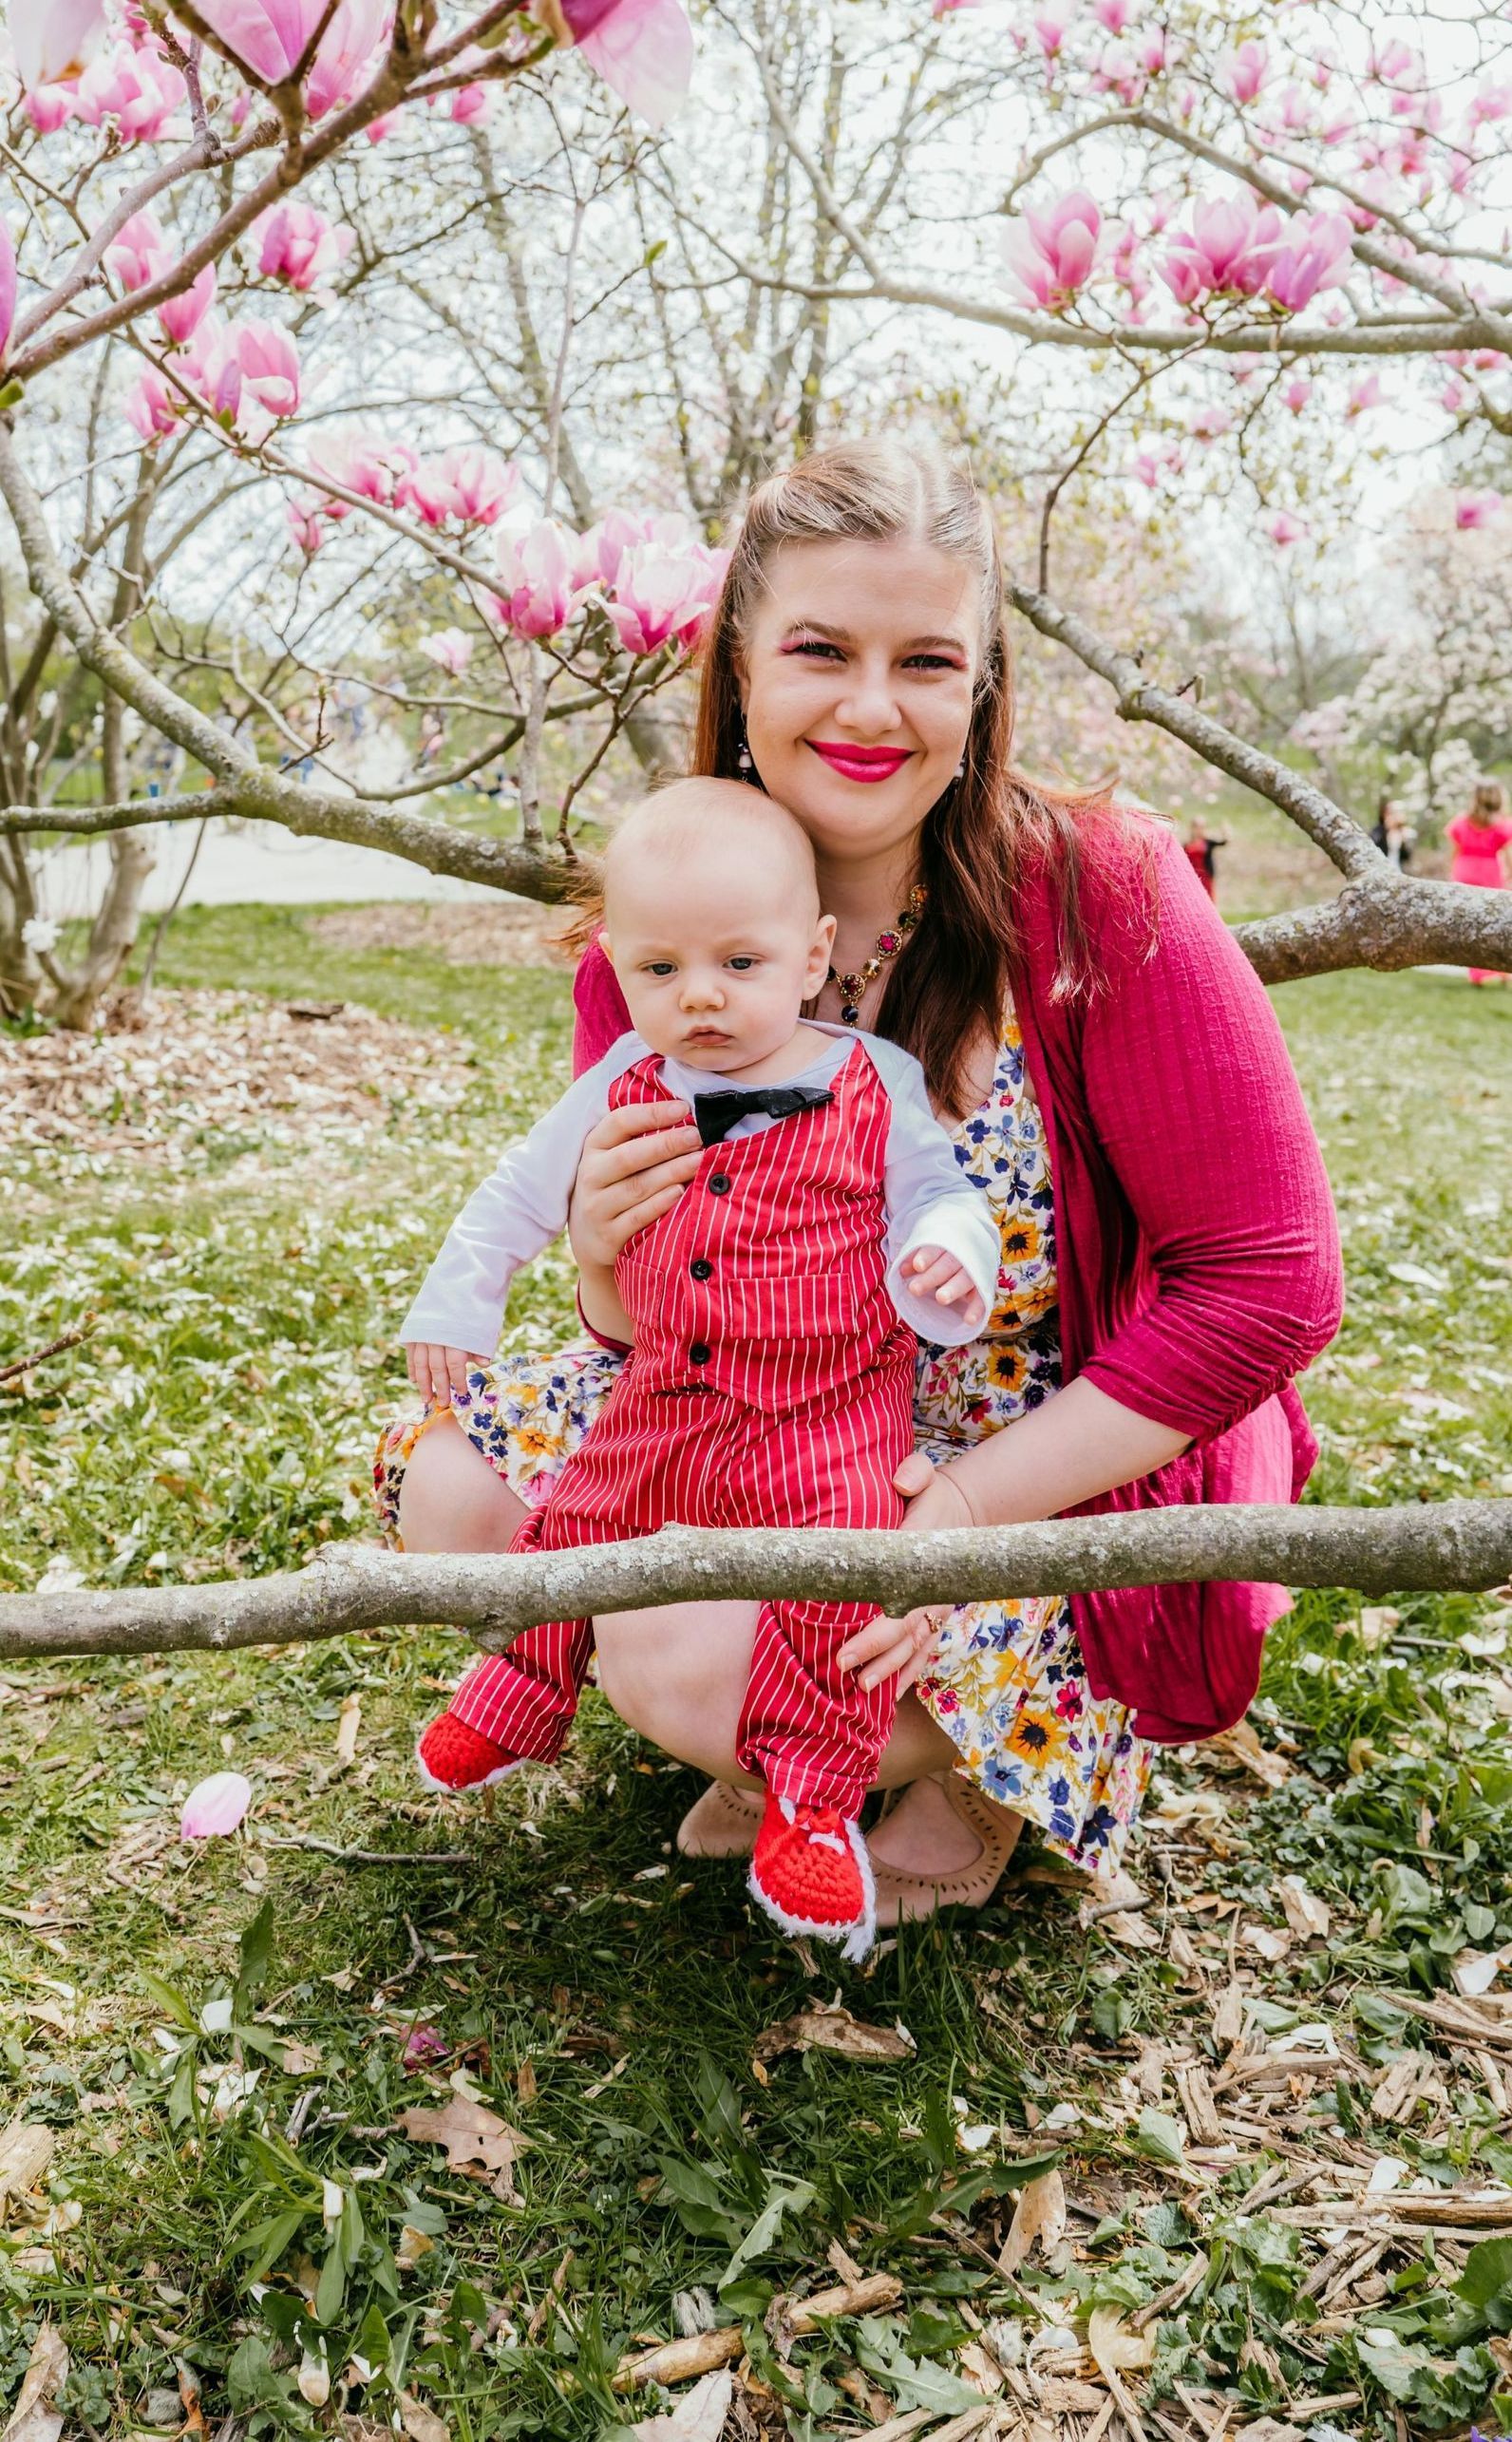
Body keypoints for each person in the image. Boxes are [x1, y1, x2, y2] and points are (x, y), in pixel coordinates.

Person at [376, 435, 1343, 1929]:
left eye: (928, 660)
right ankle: (777, 1720)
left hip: (1033, 1452)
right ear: (742, 673)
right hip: (749, 1401)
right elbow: (636, 1331)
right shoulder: (668, 924)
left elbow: (1271, 1280)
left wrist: (953, 1512)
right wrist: (601, 1260)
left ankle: (951, 1763)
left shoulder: (1103, 894)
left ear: (984, 688)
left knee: (671, 1650)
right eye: (821, 649)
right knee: (453, 1495)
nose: (873, 705)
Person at [395, 780, 997, 1957]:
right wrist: (456, 1303)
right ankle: (518, 1693)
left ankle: (812, 1809)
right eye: (659, 970)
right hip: (668, 1388)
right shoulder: (626, 1076)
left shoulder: (872, 1077)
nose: (701, 998)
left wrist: (945, 1254)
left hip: (830, 1413)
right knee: (580, 1519)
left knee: (840, 1581)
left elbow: (939, 1192)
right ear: (617, 964)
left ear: (814, 952)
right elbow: (515, 1196)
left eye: (739, 961)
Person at [1446, 780, 1512, 986]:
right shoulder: (1502, 825)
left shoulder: (1461, 823)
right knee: (1492, 921)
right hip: (1489, 873)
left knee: (1469, 924)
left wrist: (1452, 874)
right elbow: (1508, 856)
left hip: (1464, 870)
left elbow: (1455, 850)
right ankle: (1500, 969)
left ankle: (1477, 974)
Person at [1181, 813, 1227, 900]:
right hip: (1192, 877)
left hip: (1206, 876)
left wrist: (1224, 831)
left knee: (1208, 899)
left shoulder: (1208, 842)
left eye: (1202, 827)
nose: (1199, 830)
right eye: (1197, 827)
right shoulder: (1187, 845)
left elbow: (1223, 842)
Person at [1370, 797, 1416, 873]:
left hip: (1399, 870)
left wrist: (1403, 841)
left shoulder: (1403, 832)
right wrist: (1386, 830)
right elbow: (1374, 848)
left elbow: (1406, 857)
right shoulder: (1378, 831)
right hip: (1381, 870)